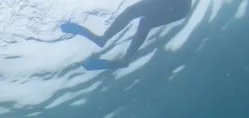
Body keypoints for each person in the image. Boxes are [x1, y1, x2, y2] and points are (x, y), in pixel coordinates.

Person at [60, 0, 192, 71]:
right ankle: (124, 58)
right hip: (180, 9)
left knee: (138, 16)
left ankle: (106, 42)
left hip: (179, 5)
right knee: (144, 21)